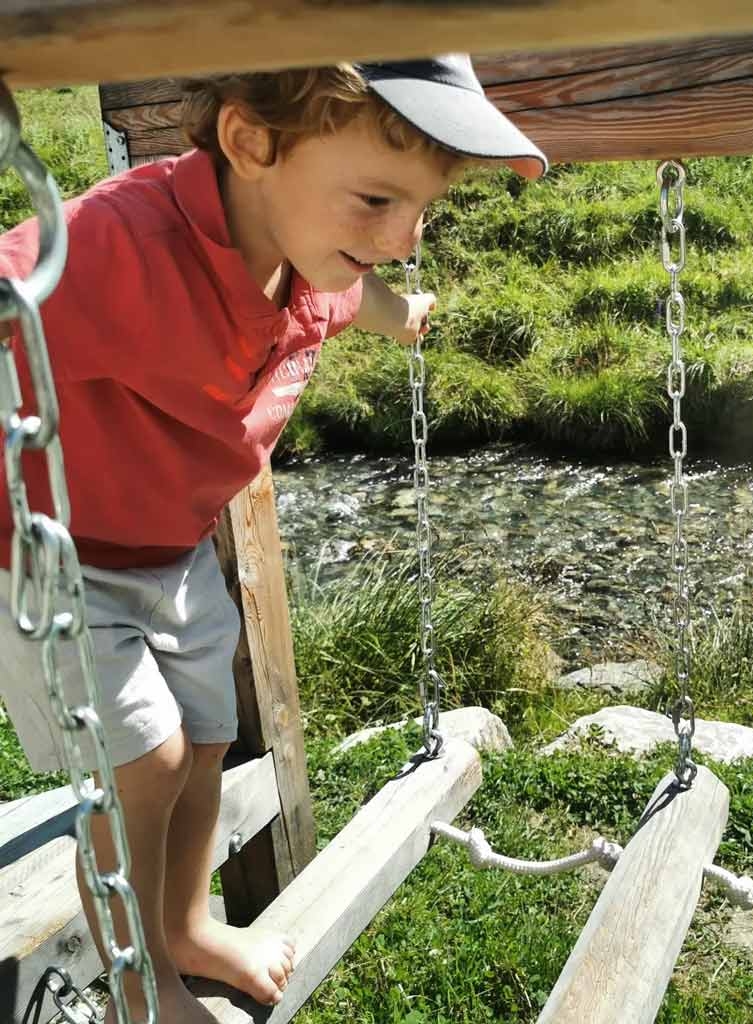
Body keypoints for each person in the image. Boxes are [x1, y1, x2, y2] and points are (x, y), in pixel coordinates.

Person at [0, 55, 546, 1024]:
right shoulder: (121, 244)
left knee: (208, 741)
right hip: (51, 556)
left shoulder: (317, 255)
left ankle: (185, 926)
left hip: (168, 549)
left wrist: (401, 315)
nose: (404, 236)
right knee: (148, 763)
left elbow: (358, 302)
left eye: (421, 208)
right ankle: (143, 989)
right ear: (251, 143)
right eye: (378, 198)